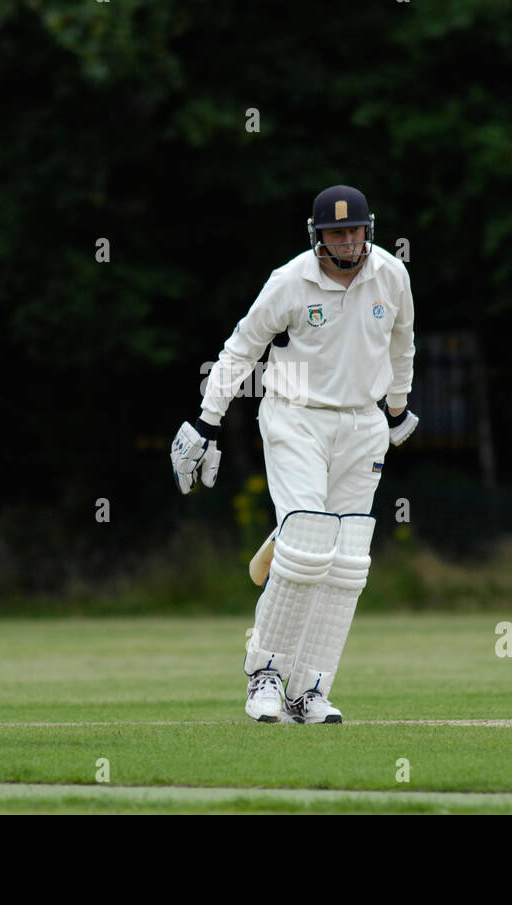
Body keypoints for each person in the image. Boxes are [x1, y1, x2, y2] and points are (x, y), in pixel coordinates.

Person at [170, 185, 418, 724]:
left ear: (368, 230)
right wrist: (208, 421)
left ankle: (309, 690)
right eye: (337, 233)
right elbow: (241, 349)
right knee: (307, 543)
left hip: (363, 423)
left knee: (347, 561)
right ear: (318, 236)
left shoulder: (391, 276)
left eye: (356, 231)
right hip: (296, 416)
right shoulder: (290, 282)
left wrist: (397, 410)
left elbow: (403, 344)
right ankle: (264, 674)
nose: (349, 242)